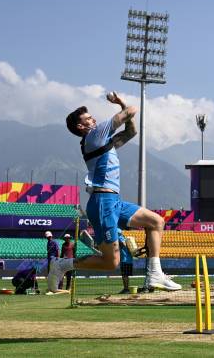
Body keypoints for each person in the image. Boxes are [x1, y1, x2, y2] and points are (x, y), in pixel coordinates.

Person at [49, 91, 181, 292]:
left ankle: (155, 274)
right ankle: (62, 265)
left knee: (156, 221)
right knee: (111, 263)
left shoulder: (102, 141)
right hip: (103, 202)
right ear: (81, 126)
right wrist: (121, 103)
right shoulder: (94, 135)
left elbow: (131, 132)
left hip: (113, 201)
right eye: (88, 118)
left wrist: (125, 111)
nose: (93, 119)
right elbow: (131, 111)